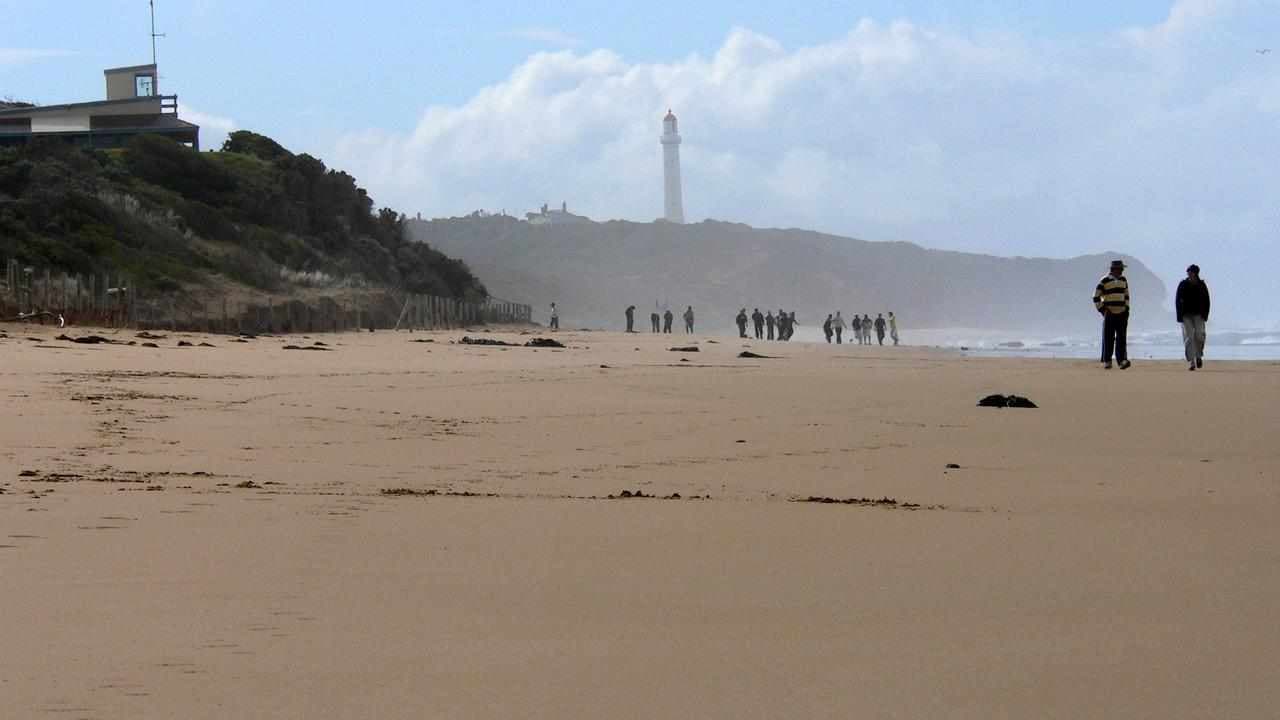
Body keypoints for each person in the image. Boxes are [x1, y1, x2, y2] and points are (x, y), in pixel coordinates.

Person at [1093, 259, 1131, 369]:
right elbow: (1096, 296)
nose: (1122, 271)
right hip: (1109, 312)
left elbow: (1126, 294)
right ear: (1114, 269)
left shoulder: (1123, 280)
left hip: (1122, 312)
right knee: (1108, 337)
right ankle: (1107, 360)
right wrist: (1102, 309)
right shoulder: (1104, 281)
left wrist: (1127, 308)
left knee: (1121, 337)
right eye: (1120, 269)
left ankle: (1122, 361)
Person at [1175, 264, 1210, 371]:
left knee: (1200, 335)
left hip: (1199, 315)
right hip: (1186, 315)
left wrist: (1205, 315)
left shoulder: (1201, 285)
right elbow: (1177, 300)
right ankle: (1191, 361)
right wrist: (1179, 315)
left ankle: (1198, 356)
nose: (1189, 274)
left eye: (1191, 272)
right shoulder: (1183, 284)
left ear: (1196, 273)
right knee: (1189, 337)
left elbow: (1207, 301)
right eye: (1188, 272)